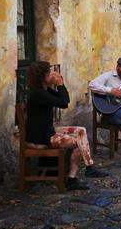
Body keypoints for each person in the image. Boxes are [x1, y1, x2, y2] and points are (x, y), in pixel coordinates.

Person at [26, 61, 108, 191]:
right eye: (49, 73)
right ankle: (72, 179)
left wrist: (59, 85)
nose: (52, 74)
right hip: (41, 138)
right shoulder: (39, 94)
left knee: (81, 131)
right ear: (43, 76)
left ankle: (89, 167)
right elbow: (63, 103)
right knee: (77, 143)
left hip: (45, 132)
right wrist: (60, 84)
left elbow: (65, 99)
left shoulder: (43, 90)